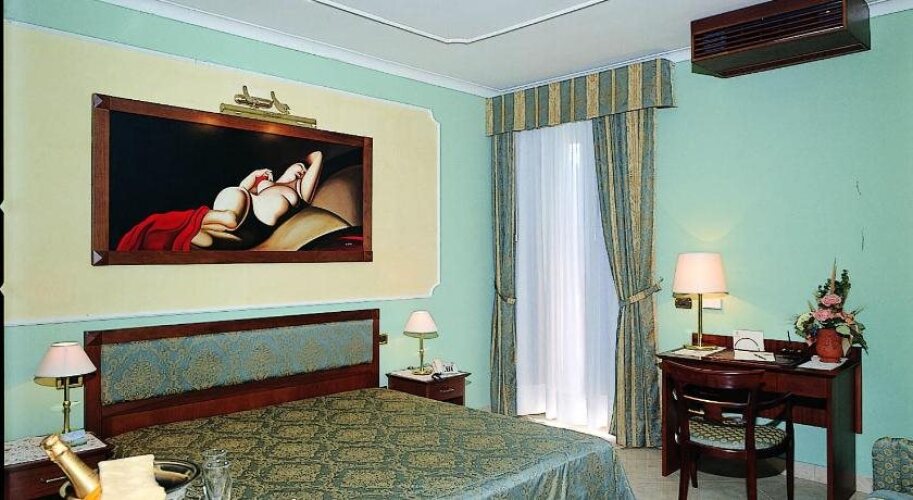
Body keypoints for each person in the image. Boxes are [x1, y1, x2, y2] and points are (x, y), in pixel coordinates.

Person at [116, 151, 323, 251]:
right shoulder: (267, 183)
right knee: (230, 219)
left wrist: (303, 168)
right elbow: (243, 188)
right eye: (299, 166)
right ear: (288, 166)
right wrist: (254, 176)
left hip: (250, 228)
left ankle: (184, 226)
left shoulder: (299, 194)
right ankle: (210, 218)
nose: (303, 171)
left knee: (208, 240)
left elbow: (318, 156)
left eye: (305, 172)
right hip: (240, 201)